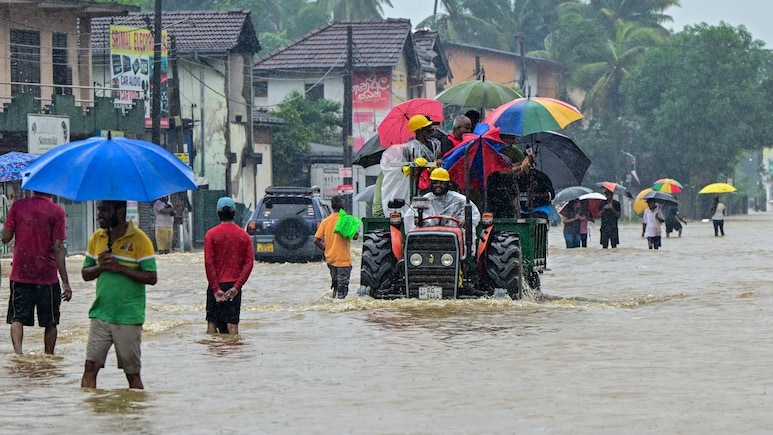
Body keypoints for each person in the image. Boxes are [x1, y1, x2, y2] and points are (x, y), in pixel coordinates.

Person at [81, 200, 157, 390]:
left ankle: (134, 416)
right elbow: (85, 273)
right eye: (99, 210)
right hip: (100, 314)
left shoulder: (140, 240)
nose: (100, 214)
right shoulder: (97, 238)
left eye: (105, 210)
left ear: (120, 211)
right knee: (90, 367)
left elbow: (151, 277)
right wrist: (101, 267)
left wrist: (119, 268)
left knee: (132, 374)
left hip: (128, 316)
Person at [1, 191, 71, 355]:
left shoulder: (18, 206)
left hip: (20, 274)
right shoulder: (57, 211)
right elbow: (57, 247)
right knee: (51, 322)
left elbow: (5, 237)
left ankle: (19, 355)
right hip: (47, 277)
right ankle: (49, 358)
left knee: (17, 318)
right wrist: (65, 282)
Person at [205, 197, 254, 334]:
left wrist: (215, 289)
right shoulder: (244, 236)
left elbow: (209, 263)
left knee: (212, 323)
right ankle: (233, 355)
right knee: (232, 325)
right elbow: (249, 263)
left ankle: (211, 355)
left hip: (216, 286)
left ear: (217, 213)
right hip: (233, 287)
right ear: (234, 213)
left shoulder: (211, 235)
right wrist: (236, 287)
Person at [404, 168, 481, 234]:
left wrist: (465, 221)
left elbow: (474, 215)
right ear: (431, 184)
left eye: (442, 183)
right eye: (435, 183)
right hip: (428, 236)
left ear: (448, 185)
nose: (438, 185)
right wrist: (416, 221)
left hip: (454, 236)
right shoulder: (424, 200)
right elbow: (409, 217)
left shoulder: (460, 200)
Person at [485, 132, 533, 218]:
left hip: (508, 190)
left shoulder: (510, 152)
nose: (513, 141)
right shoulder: (492, 152)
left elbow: (510, 167)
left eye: (514, 138)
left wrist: (525, 161)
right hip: (494, 192)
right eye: (510, 138)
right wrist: (521, 166)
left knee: (512, 212)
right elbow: (503, 171)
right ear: (502, 138)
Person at [314, 195, 353, 299]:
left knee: (335, 285)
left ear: (332, 206)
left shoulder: (326, 221)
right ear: (342, 205)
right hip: (343, 260)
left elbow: (316, 240)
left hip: (331, 259)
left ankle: (333, 300)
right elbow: (355, 236)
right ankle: (339, 310)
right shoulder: (346, 220)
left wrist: (326, 249)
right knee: (342, 290)